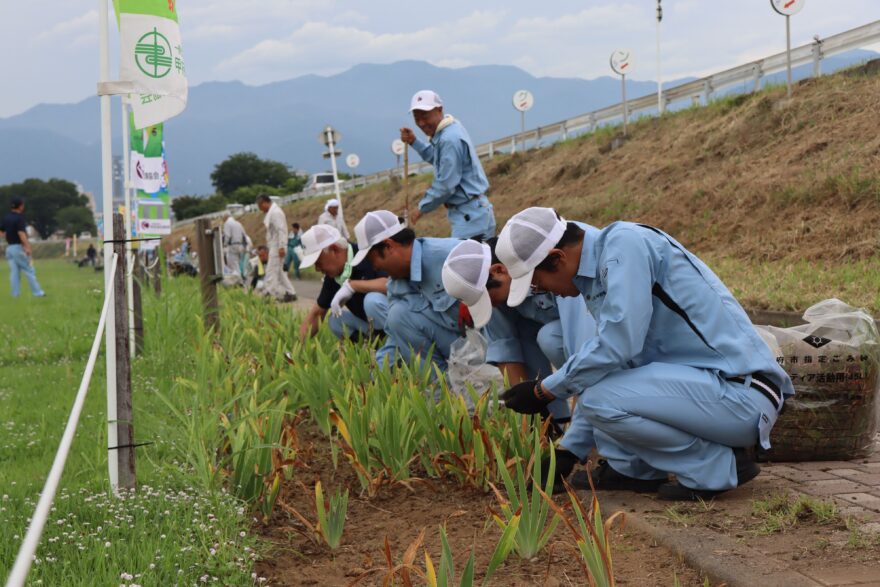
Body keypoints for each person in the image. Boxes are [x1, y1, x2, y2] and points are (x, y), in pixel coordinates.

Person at [495, 207, 794, 500]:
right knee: (600, 386)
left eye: (538, 283)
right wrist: (570, 450)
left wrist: (544, 391)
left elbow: (617, 345)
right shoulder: (600, 269)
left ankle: (714, 466)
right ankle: (644, 470)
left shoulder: (624, 245)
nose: (547, 292)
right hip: (715, 393)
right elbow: (610, 364)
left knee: (600, 396)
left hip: (741, 394)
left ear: (557, 258)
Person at [441, 238, 596, 426]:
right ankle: (554, 419)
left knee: (549, 338)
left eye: (487, 299)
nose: (490, 306)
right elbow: (506, 349)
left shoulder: (551, 269)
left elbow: (582, 347)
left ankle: (592, 411)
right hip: (566, 335)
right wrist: (531, 414)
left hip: (596, 337)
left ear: (498, 270)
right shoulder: (497, 295)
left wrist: (578, 432)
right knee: (531, 336)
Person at [352, 210, 462, 371]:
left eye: (371, 259)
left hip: (486, 341)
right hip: (460, 344)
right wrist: (377, 373)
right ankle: (442, 388)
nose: (374, 267)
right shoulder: (397, 284)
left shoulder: (451, 255)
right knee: (398, 315)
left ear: (388, 246)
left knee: (399, 314)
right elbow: (397, 336)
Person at [400, 90, 495, 240]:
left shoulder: (449, 139)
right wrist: (414, 141)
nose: (421, 123)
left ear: (439, 110)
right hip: (475, 212)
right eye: (416, 118)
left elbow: (445, 184)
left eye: (425, 116)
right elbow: (438, 158)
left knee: (462, 262)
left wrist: (421, 208)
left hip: (469, 218)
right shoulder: (451, 128)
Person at [297, 225, 393, 356]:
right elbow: (317, 313)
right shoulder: (334, 275)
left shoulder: (365, 253)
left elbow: (390, 284)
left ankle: (403, 344)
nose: (317, 269)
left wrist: (353, 286)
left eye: (318, 262)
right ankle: (371, 348)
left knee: (372, 301)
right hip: (374, 328)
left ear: (335, 250)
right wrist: (297, 350)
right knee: (335, 320)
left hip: (398, 321)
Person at [0, 197, 46, 298]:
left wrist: (9, 235)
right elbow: (21, 234)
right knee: (29, 270)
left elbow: (1, 232)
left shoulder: (6, 218)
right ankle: (38, 293)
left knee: (14, 273)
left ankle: (15, 295)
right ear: (20, 206)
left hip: (10, 248)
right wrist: (27, 247)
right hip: (18, 248)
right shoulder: (19, 218)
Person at [256, 195, 297, 302]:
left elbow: (282, 230)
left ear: (264, 203)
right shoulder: (273, 212)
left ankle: (269, 293)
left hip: (278, 246)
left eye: (260, 206)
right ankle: (291, 292)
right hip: (275, 245)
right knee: (279, 272)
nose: (260, 209)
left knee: (271, 270)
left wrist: (282, 247)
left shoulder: (275, 213)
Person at [223, 212, 251, 284]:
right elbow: (244, 235)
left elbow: (227, 235)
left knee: (232, 264)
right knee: (238, 264)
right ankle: (240, 280)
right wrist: (244, 246)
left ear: (225, 218)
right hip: (240, 246)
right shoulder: (238, 223)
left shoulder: (227, 223)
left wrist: (224, 244)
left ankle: (238, 281)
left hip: (232, 245)